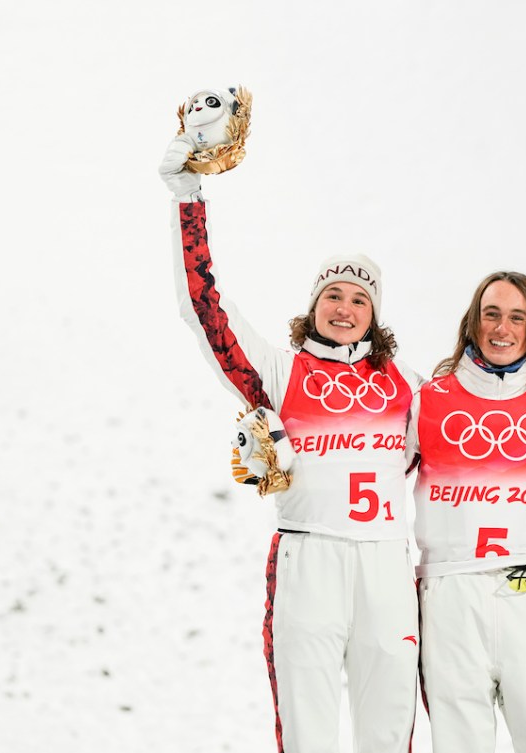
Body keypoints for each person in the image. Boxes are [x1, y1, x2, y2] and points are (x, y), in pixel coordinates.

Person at [159, 129, 421, 753]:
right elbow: (206, 311)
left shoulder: (410, 387)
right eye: (333, 294)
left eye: (360, 299)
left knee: (388, 733)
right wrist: (186, 198)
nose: (344, 306)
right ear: (314, 305)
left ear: (374, 316)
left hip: (387, 561)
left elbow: (478, 439)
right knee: (308, 734)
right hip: (309, 560)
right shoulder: (280, 372)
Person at [406, 271, 526, 752]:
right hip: (449, 595)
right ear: (473, 323)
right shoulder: (428, 401)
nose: (502, 328)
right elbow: (370, 466)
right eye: (492, 314)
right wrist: (281, 462)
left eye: (517, 318)